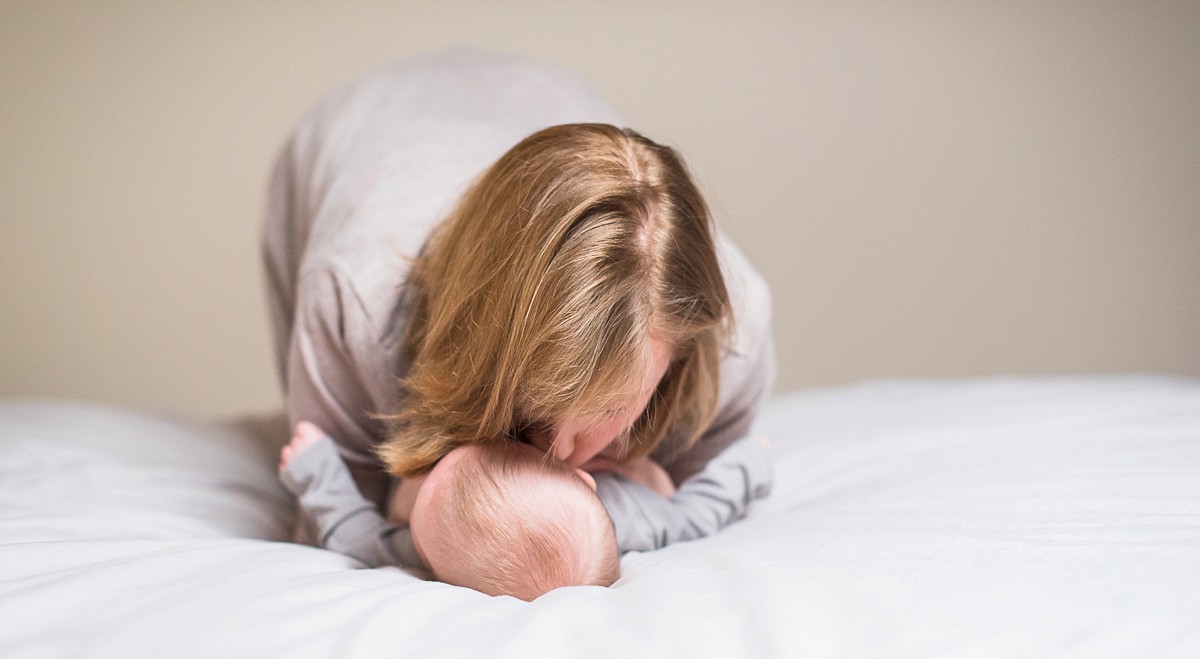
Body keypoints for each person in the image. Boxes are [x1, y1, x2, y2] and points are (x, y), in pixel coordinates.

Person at [263, 48, 775, 558]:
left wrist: (643, 483)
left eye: (614, 407)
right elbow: (345, 514)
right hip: (354, 125)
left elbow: (691, 501)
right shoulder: (350, 298)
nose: (559, 456)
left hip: (547, 84)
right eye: (533, 410)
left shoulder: (739, 335)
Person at [279, 421, 620, 601]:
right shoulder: (617, 525)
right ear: (584, 479)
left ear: (431, 568)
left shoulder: (413, 551)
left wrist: (318, 472)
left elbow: (351, 535)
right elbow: (669, 520)